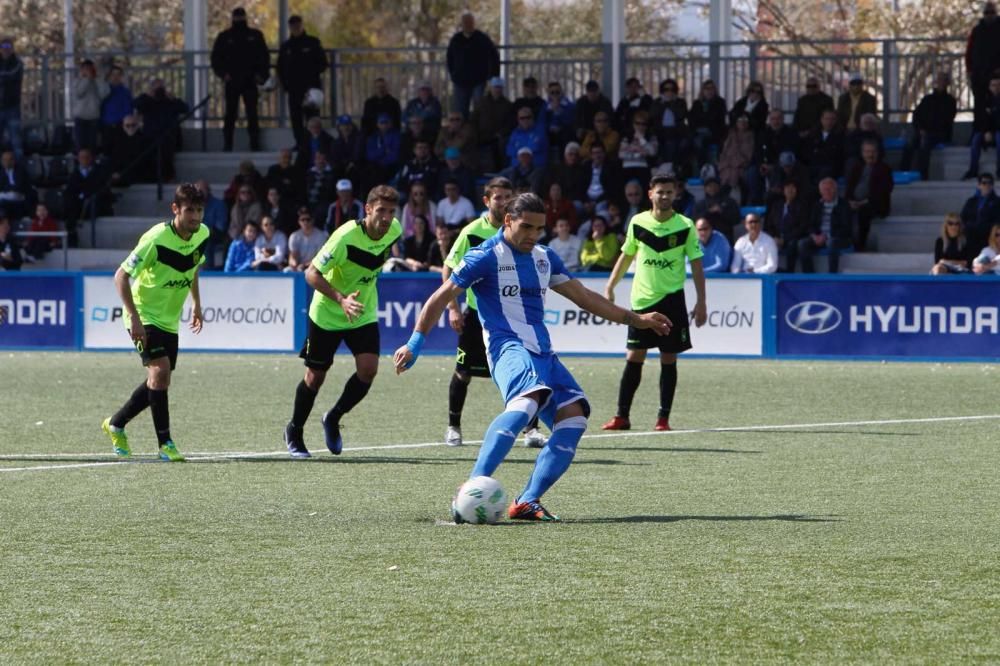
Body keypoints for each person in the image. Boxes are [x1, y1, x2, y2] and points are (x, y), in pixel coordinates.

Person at [394, 191, 670, 521]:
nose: (533, 235)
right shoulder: (484, 255)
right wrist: (414, 343)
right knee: (528, 402)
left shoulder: (544, 256)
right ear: (508, 220)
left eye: (539, 229)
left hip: (544, 352)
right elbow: (439, 298)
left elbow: (584, 297)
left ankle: (527, 499)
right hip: (506, 347)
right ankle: (471, 488)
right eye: (526, 227)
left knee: (574, 418)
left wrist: (636, 319)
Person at [284, 185, 403, 458]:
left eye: (391, 211)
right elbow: (311, 274)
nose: (386, 218)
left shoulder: (394, 229)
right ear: (368, 209)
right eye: (381, 211)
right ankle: (294, 429)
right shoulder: (345, 236)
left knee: (368, 369)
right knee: (315, 378)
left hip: (362, 311)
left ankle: (333, 417)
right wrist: (341, 299)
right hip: (328, 313)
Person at [100, 183, 209, 462]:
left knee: (159, 379)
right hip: (143, 313)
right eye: (189, 211)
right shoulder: (156, 238)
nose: (196, 217)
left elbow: (193, 266)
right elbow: (120, 276)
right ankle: (165, 444)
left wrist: (196, 302)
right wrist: (134, 319)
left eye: (199, 210)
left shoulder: (203, 233)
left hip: (169, 319)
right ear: (175, 209)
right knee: (160, 372)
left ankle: (116, 423)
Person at [438, 177, 544, 448]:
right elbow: (449, 269)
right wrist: (452, 309)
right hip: (477, 314)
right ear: (486, 201)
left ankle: (531, 430)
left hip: (515, 316)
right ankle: (453, 427)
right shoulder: (472, 232)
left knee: (527, 370)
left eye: (508, 196)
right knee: (463, 372)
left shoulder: (521, 232)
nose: (503, 201)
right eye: (498, 197)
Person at [601, 175, 706, 432]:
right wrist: (610, 286)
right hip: (642, 301)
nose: (665, 196)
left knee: (668, 358)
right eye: (660, 192)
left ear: (676, 194)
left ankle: (663, 419)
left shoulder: (685, 225)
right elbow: (626, 257)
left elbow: (696, 265)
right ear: (650, 194)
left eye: (670, 192)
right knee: (634, 356)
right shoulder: (638, 222)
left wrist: (702, 301)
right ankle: (622, 416)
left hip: (672, 300)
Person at [210, 7, 270, 152]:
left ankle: (254, 144)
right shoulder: (225, 37)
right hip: (232, 80)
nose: (239, 19)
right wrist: (223, 74)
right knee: (230, 113)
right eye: (237, 17)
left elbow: (264, 57)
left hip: (250, 80)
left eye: (241, 17)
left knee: (252, 113)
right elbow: (216, 58)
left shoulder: (255, 35)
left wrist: (261, 76)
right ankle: (228, 144)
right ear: (233, 18)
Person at [277, 15, 328, 146]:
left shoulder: (313, 42)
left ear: (302, 25)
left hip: (311, 89)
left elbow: (323, 63)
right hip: (293, 88)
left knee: (312, 117)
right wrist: (284, 84)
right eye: (293, 26)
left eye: (297, 25)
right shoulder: (286, 46)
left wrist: (311, 75)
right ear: (290, 27)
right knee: (296, 118)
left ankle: (315, 142)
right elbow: (280, 67)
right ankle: (300, 144)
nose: (295, 28)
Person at [901, 72, 957, 181]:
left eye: (943, 80)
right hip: (923, 131)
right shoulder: (927, 99)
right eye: (939, 80)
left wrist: (928, 130)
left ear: (947, 83)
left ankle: (923, 175)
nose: (941, 83)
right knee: (909, 145)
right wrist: (920, 129)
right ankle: (904, 172)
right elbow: (916, 115)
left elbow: (947, 120)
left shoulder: (950, 101)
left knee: (925, 144)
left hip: (940, 134)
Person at [132, 78, 189, 181]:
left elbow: (185, 109)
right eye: (156, 87)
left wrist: (173, 98)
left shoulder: (170, 102)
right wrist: (147, 95)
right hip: (150, 136)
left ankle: (167, 177)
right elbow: (135, 104)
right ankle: (150, 178)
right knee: (147, 153)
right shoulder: (147, 101)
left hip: (168, 137)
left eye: (161, 87)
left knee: (165, 153)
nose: (159, 91)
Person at [446, 12, 499, 118]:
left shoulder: (482, 38)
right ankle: (462, 133)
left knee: (479, 110)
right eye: (465, 22)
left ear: (473, 23)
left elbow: (494, 56)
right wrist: (453, 75)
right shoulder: (456, 39)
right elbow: (449, 58)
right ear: (462, 24)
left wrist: (493, 76)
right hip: (460, 81)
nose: (467, 24)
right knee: (460, 111)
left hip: (478, 80)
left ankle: (478, 132)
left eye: (470, 22)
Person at [845, 140, 893, 251]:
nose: (870, 155)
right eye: (867, 152)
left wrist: (863, 202)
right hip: (855, 202)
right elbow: (850, 188)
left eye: (872, 152)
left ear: (877, 153)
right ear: (862, 153)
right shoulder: (856, 167)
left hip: (875, 204)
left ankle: (860, 246)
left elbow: (884, 192)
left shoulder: (884, 169)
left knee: (863, 212)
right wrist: (850, 201)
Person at [797, 177, 852, 273]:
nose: (827, 192)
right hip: (819, 237)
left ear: (835, 190)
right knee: (802, 244)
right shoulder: (817, 205)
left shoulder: (844, 205)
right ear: (820, 191)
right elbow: (810, 225)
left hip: (838, 237)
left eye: (830, 189)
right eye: (824, 190)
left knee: (832, 243)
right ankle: (809, 275)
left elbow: (846, 228)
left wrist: (826, 236)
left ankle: (832, 275)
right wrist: (814, 236)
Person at [63, 147, 111, 247]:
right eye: (81, 157)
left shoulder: (99, 172)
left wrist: (86, 194)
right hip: (77, 204)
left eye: (86, 157)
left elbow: (101, 189)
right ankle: (71, 237)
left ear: (91, 158)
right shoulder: (74, 174)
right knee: (69, 207)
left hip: (93, 203)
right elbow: (70, 190)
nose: (84, 160)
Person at [965, 2, 1000, 135]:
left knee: (995, 104)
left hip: (996, 75)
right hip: (979, 74)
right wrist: (969, 71)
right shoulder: (977, 30)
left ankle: (994, 132)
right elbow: (969, 52)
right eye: (986, 13)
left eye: (992, 12)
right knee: (979, 105)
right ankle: (979, 133)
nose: (989, 15)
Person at [765, 180, 810, 272]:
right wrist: (774, 237)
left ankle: (789, 273)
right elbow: (769, 224)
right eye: (787, 187)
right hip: (776, 238)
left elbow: (802, 227)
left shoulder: (802, 206)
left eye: (793, 188)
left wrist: (785, 239)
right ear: (784, 190)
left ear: (796, 190)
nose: (790, 190)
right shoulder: (777, 205)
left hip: (791, 238)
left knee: (792, 245)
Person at [470, 76, 513, 171]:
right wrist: (475, 134)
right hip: (481, 136)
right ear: (491, 88)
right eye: (495, 87)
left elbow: (510, 123)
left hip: (497, 138)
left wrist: (500, 133)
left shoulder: (507, 105)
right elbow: (473, 119)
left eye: (499, 87)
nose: (497, 90)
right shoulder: (481, 102)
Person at [648, 79, 688, 172]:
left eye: (672, 89)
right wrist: (664, 103)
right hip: (660, 131)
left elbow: (681, 115)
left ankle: (670, 167)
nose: (669, 92)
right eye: (666, 89)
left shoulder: (680, 102)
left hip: (676, 131)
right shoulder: (657, 102)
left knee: (672, 142)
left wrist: (671, 103)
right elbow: (653, 115)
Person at [687, 79, 727, 169]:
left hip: (714, 132)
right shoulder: (697, 103)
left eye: (711, 88)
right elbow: (691, 119)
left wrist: (703, 120)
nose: (709, 91)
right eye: (707, 89)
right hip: (698, 132)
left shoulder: (720, 102)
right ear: (703, 90)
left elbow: (717, 120)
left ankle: (703, 168)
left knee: (700, 142)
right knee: (686, 142)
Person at [965, 76, 1000, 180]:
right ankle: (973, 170)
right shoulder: (984, 100)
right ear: (989, 87)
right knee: (975, 139)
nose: (997, 88)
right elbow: (981, 119)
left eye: (999, 85)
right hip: (986, 131)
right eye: (994, 85)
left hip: (998, 132)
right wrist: (986, 131)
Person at [73, 59, 109, 152]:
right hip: (80, 117)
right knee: (80, 146)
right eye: (86, 69)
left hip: (94, 118)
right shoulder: (77, 81)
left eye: (90, 69)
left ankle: (91, 165)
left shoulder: (98, 81)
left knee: (92, 146)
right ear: (81, 70)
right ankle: (81, 165)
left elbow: (104, 94)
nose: (88, 71)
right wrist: (86, 79)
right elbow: (78, 93)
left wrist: (97, 79)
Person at [618, 110, 658, 193]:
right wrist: (637, 151)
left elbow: (653, 151)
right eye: (637, 123)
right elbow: (621, 154)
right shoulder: (627, 137)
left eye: (643, 124)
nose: (640, 126)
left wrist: (642, 139)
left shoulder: (651, 137)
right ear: (633, 124)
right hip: (627, 166)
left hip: (643, 166)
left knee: (644, 186)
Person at [691, 175, 739, 241]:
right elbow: (694, 220)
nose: (712, 188)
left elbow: (736, 220)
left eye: (715, 185)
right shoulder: (700, 204)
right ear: (705, 188)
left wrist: (722, 211)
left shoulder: (729, 201)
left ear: (719, 187)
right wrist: (709, 212)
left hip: (725, 236)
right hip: (704, 238)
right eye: (709, 186)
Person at [803, 108, 845, 183]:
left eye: (832, 119)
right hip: (813, 165)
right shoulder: (813, 135)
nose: (829, 122)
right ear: (821, 120)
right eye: (827, 119)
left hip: (831, 168)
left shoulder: (841, 135)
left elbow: (840, 155)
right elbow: (807, 152)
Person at [961, 172, 1000, 252]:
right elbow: (963, 217)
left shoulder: (997, 202)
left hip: (988, 234)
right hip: (971, 234)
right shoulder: (971, 201)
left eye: (990, 183)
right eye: (984, 183)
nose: (987, 185)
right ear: (979, 185)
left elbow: (998, 220)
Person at [107, 115, 150, 187]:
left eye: (133, 125)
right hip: (122, 173)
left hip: (138, 173)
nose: (131, 128)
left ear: (137, 126)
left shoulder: (144, 140)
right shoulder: (118, 141)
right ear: (123, 127)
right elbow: (115, 159)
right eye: (127, 125)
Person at [718, 114, 754, 200]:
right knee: (726, 175)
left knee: (736, 175)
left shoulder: (750, 136)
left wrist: (736, 162)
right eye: (740, 122)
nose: (742, 124)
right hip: (727, 165)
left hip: (741, 166)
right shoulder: (731, 135)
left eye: (744, 122)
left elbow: (748, 154)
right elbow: (725, 151)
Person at [0, 37, 24, 159]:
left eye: (8, 47)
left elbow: (11, 75)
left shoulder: (17, 63)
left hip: (12, 107)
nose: (6, 50)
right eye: (3, 47)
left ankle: (20, 172)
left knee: (16, 142)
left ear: (12, 48)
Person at [195, 180, 228, 268]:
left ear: (208, 190)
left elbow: (220, 227)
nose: (200, 193)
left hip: (214, 235)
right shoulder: (192, 205)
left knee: (204, 241)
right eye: (197, 191)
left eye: (202, 190)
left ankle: (206, 272)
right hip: (196, 234)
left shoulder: (219, 204)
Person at [100, 65, 133, 152]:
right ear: (109, 76)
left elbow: (129, 110)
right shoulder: (104, 91)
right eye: (113, 74)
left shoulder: (126, 92)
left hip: (121, 128)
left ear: (121, 77)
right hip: (106, 127)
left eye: (118, 74)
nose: (115, 77)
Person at [285, 207, 328, 272]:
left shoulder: (321, 236)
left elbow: (320, 258)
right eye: (302, 220)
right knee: (287, 270)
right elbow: (293, 254)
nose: (305, 222)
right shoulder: (294, 236)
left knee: (308, 271)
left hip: (315, 266)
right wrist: (294, 263)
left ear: (313, 220)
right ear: (299, 222)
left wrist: (305, 265)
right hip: (299, 266)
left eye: (308, 219)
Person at [0, 149, 36, 220]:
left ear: (13, 161)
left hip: (20, 195)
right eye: (4, 160)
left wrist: (7, 188)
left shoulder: (20, 171)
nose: (6, 162)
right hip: (5, 196)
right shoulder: (1, 172)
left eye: (9, 160)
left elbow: (19, 186)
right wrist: (10, 189)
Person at [543, 80, 576, 152]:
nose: (555, 94)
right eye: (552, 92)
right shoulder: (545, 106)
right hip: (549, 132)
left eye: (557, 92)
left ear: (561, 92)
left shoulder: (568, 105)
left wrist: (559, 111)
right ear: (548, 93)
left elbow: (570, 121)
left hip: (563, 132)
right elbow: (541, 121)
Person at [331, 114, 364, 185]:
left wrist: (351, 163)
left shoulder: (358, 138)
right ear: (339, 127)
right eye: (343, 125)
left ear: (352, 126)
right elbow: (335, 157)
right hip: (341, 167)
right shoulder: (336, 142)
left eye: (348, 125)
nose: (346, 128)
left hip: (355, 166)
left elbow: (357, 155)